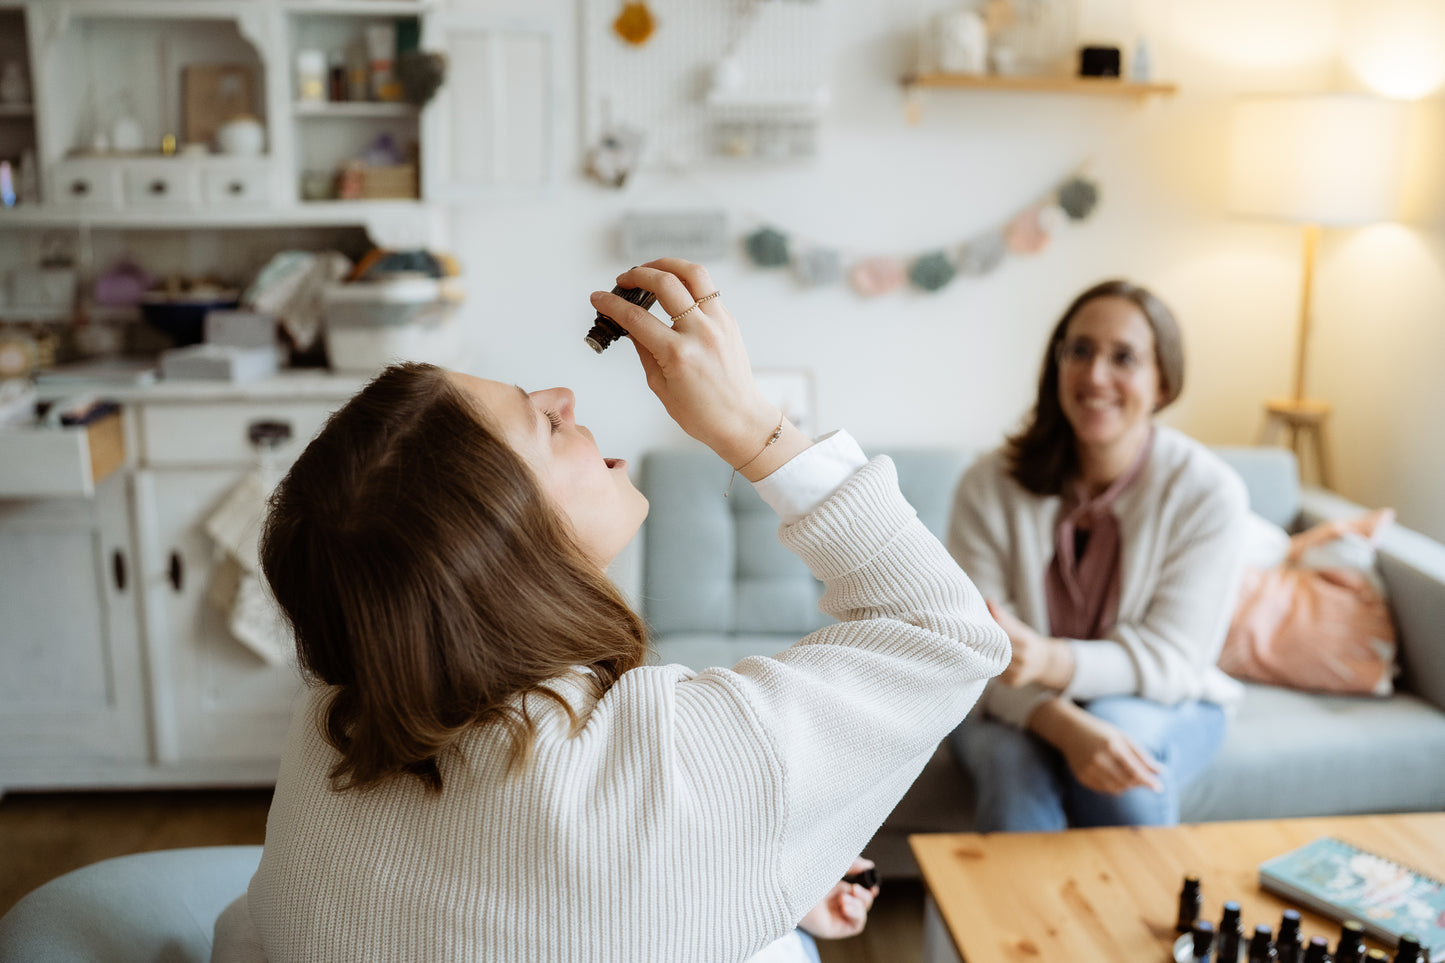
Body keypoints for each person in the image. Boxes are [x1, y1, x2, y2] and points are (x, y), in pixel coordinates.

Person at [211, 258, 1009, 962]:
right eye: (544, 421)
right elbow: (948, 629)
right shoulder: (683, 765)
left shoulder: (333, 723)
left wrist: (758, 861)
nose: (563, 395)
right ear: (500, 549)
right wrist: (751, 424)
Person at [946, 279, 1249, 832]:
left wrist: (1050, 662)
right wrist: (1064, 726)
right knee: (1012, 771)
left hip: (1159, 698)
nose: (1094, 376)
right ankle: (1013, 923)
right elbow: (970, 651)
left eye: (1124, 358)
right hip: (1010, 702)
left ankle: (1135, 918)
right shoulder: (987, 485)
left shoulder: (1209, 493)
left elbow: (1174, 659)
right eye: (1079, 351)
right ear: (1056, 364)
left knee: (1125, 762)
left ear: (1163, 383)